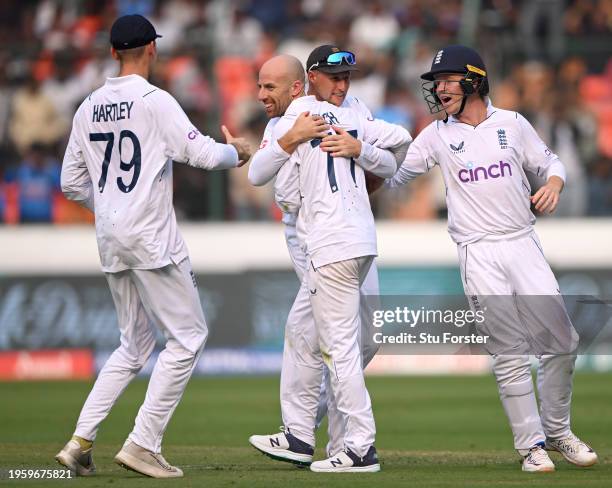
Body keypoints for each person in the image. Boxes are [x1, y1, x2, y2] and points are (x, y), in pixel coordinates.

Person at [379, 44, 597, 472]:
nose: (439, 89)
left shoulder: (512, 124)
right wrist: (362, 153)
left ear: (474, 80)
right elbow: (395, 175)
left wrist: (554, 184)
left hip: (523, 242)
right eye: (435, 83)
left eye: (447, 80)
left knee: (562, 344)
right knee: (509, 351)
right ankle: (531, 446)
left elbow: (552, 163)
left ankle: (558, 432)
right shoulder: (436, 134)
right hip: (477, 250)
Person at [55, 14, 251, 478]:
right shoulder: (154, 100)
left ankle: (80, 441)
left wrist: (108, 208)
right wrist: (239, 152)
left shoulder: (88, 105)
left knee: (133, 344)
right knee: (188, 338)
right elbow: (202, 154)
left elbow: (69, 182)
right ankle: (143, 442)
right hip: (152, 238)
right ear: (152, 50)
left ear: (112, 52)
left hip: (111, 238)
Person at [248, 46, 411, 473]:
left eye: (347, 78)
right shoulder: (297, 116)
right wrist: (291, 140)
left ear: (298, 84)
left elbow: (397, 149)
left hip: (338, 235)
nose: (343, 85)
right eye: (334, 78)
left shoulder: (346, 111)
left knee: (344, 344)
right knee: (316, 336)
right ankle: (312, 436)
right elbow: (265, 170)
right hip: (319, 233)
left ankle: (342, 443)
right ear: (311, 79)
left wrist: (360, 152)